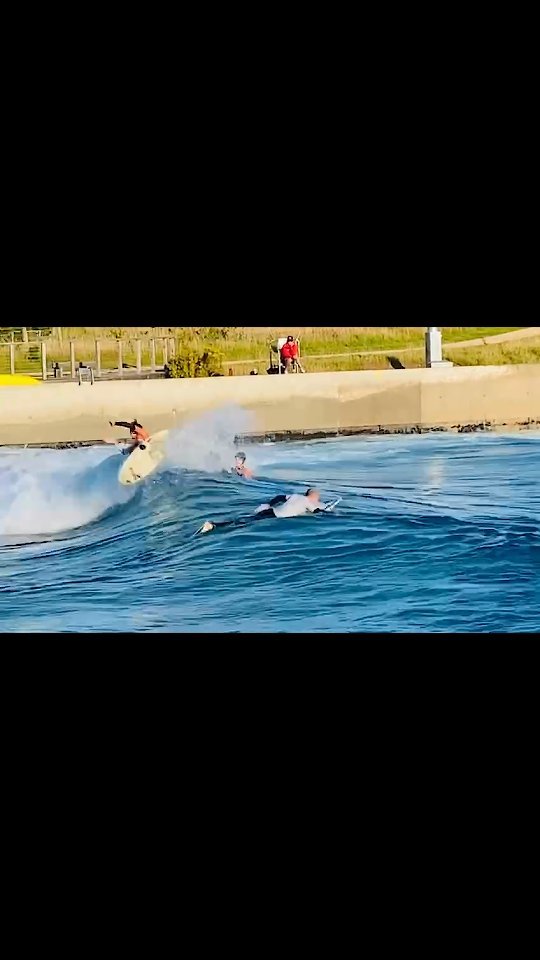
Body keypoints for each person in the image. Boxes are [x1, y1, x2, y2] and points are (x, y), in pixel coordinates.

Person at [199, 488, 332, 533]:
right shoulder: (309, 502)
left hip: (270, 511)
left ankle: (214, 524)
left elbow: (279, 497)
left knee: (244, 520)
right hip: (274, 517)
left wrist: (268, 504)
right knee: (243, 523)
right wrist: (331, 513)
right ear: (312, 494)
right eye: (317, 495)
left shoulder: (296, 496)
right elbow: (317, 513)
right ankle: (214, 525)